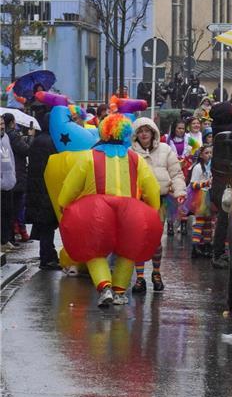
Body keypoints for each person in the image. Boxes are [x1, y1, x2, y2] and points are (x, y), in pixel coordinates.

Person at [58, 115, 161, 306]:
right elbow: (151, 187)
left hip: (96, 210)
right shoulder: (135, 158)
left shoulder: (89, 156)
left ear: (103, 132)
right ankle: (119, 292)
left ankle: (104, 286)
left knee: (94, 251)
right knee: (127, 251)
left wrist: (63, 203)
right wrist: (152, 209)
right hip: (130, 210)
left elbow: (72, 185)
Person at [130, 118, 187, 292]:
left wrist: (180, 192)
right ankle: (140, 278)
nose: (144, 134)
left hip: (161, 201)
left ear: (153, 132)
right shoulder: (129, 153)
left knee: (155, 240)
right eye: (140, 131)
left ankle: (156, 273)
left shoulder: (165, 149)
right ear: (136, 135)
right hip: (138, 202)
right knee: (138, 239)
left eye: (147, 130)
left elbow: (176, 174)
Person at [26, 105, 61, 269]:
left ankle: (48, 255)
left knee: (46, 225)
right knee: (47, 225)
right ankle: (47, 259)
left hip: (37, 188)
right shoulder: (50, 142)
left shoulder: (39, 140)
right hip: (45, 189)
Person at [209, 101, 232, 268]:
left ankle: (220, 252)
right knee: (224, 220)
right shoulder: (228, 132)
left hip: (219, 183)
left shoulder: (216, 129)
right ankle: (219, 253)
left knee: (223, 218)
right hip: (226, 183)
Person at [2, 113, 32, 243]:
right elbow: (26, 150)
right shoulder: (13, 135)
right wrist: (30, 137)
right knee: (16, 207)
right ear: (12, 122)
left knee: (10, 208)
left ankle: (11, 235)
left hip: (10, 176)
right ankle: (13, 235)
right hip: (16, 175)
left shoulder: (6, 137)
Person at [188, 145, 215, 258]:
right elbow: (193, 184)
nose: (209, 155)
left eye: (210, 153)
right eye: (206, 153)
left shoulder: (212, 167)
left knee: (209, 222)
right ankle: (195, 246)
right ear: (201, 155)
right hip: (201, 196)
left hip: (210, 195)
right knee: (200, 221)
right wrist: (205, 183)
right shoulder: (198, 167)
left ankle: (206, 245)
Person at [0, 117, 17, 252]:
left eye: (2, 123)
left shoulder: (5, 137)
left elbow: (10, 156)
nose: (2, 126)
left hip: (8, 181)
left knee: (7, 212)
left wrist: (13, 174)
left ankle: (5, 240)